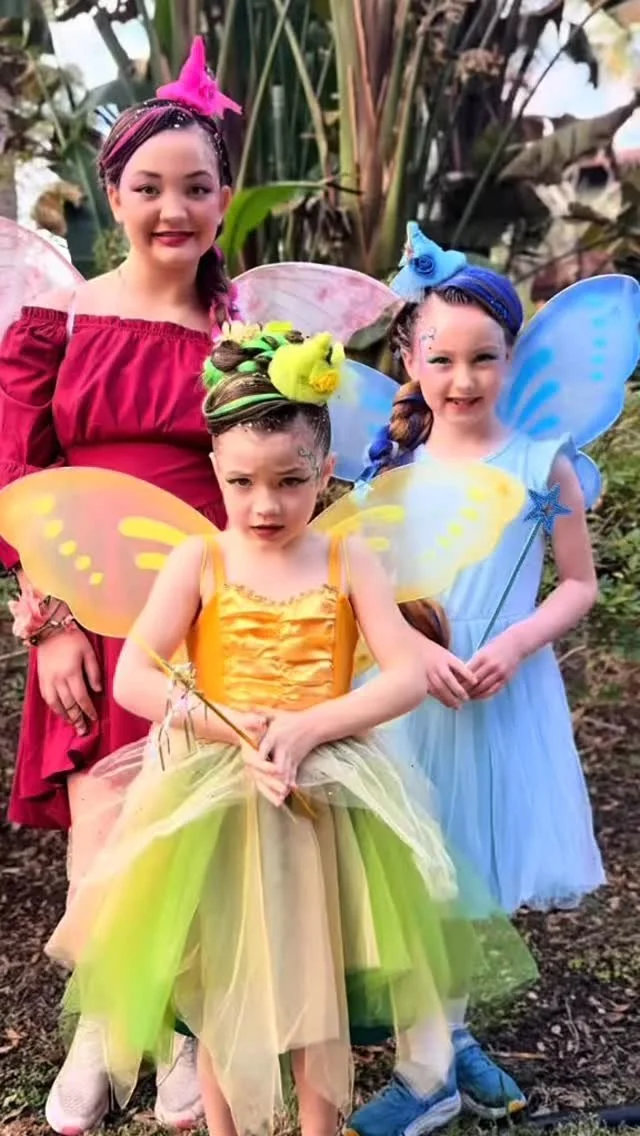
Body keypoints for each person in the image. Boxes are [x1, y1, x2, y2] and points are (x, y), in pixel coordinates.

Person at [40, 323, 535, 1136]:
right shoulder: (199, 561)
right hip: (214, 802)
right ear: (215, 471)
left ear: (325, 471)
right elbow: (135, 676)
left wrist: (310, 728)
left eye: (291, 481)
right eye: (242, 482)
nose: (265, 504)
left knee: (317, 986)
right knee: (217, 986)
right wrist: (221, 724)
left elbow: (405, 674)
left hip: (325, 800)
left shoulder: (347, 561)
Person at [0, 36, 240, 1134]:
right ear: (113, 196)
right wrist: (48, 620)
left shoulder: (242, 333)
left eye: (195, 187)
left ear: (224, 199)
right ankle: (102, 1024)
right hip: (87, 604)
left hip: (206, 602)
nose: (172, 209)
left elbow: (274, 469)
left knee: (191, 806)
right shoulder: (55, 324)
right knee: (103, 812)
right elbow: (19, 476)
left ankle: (187, 1024)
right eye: (149, 187)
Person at [346, 229, 605, 1136]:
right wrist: (414, 656)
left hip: (498, 698)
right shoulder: (392, 473)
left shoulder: (542, 464)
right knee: (416, 872)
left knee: (463, 871)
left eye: (483, 358)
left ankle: (433, 1064)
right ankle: (437, 1047)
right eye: (442, 359)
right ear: (409, 359)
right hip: (409, 699)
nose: (462, 380)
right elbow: (370, 593)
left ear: (511, 358)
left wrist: (518, 644)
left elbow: (578, 584)